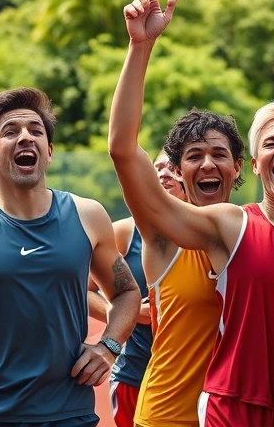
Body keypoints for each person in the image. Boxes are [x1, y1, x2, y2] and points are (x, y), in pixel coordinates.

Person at [110, 0, 274, 427]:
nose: (207, 164)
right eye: (193, 156)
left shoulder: (260, 233)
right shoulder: (163, 236)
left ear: (239, 168)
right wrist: (139, 47)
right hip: (171, 417)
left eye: (218, 155)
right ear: (176, 170)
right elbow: (123, 151)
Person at [0, 87, 140, 426]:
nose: (26, 137)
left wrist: (109, 346)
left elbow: (125, 293)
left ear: (48, 152)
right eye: (11, 131)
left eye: (36, 131)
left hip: (70, 412)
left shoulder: (88, 215)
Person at [87, 150, 187, 427]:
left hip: (191, 376)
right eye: (157, 167)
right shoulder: (124, 233)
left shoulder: (208, 232)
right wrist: (123, 312)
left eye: (172, 166)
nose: (163, 172)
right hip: (135, 374)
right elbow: (81, 291)